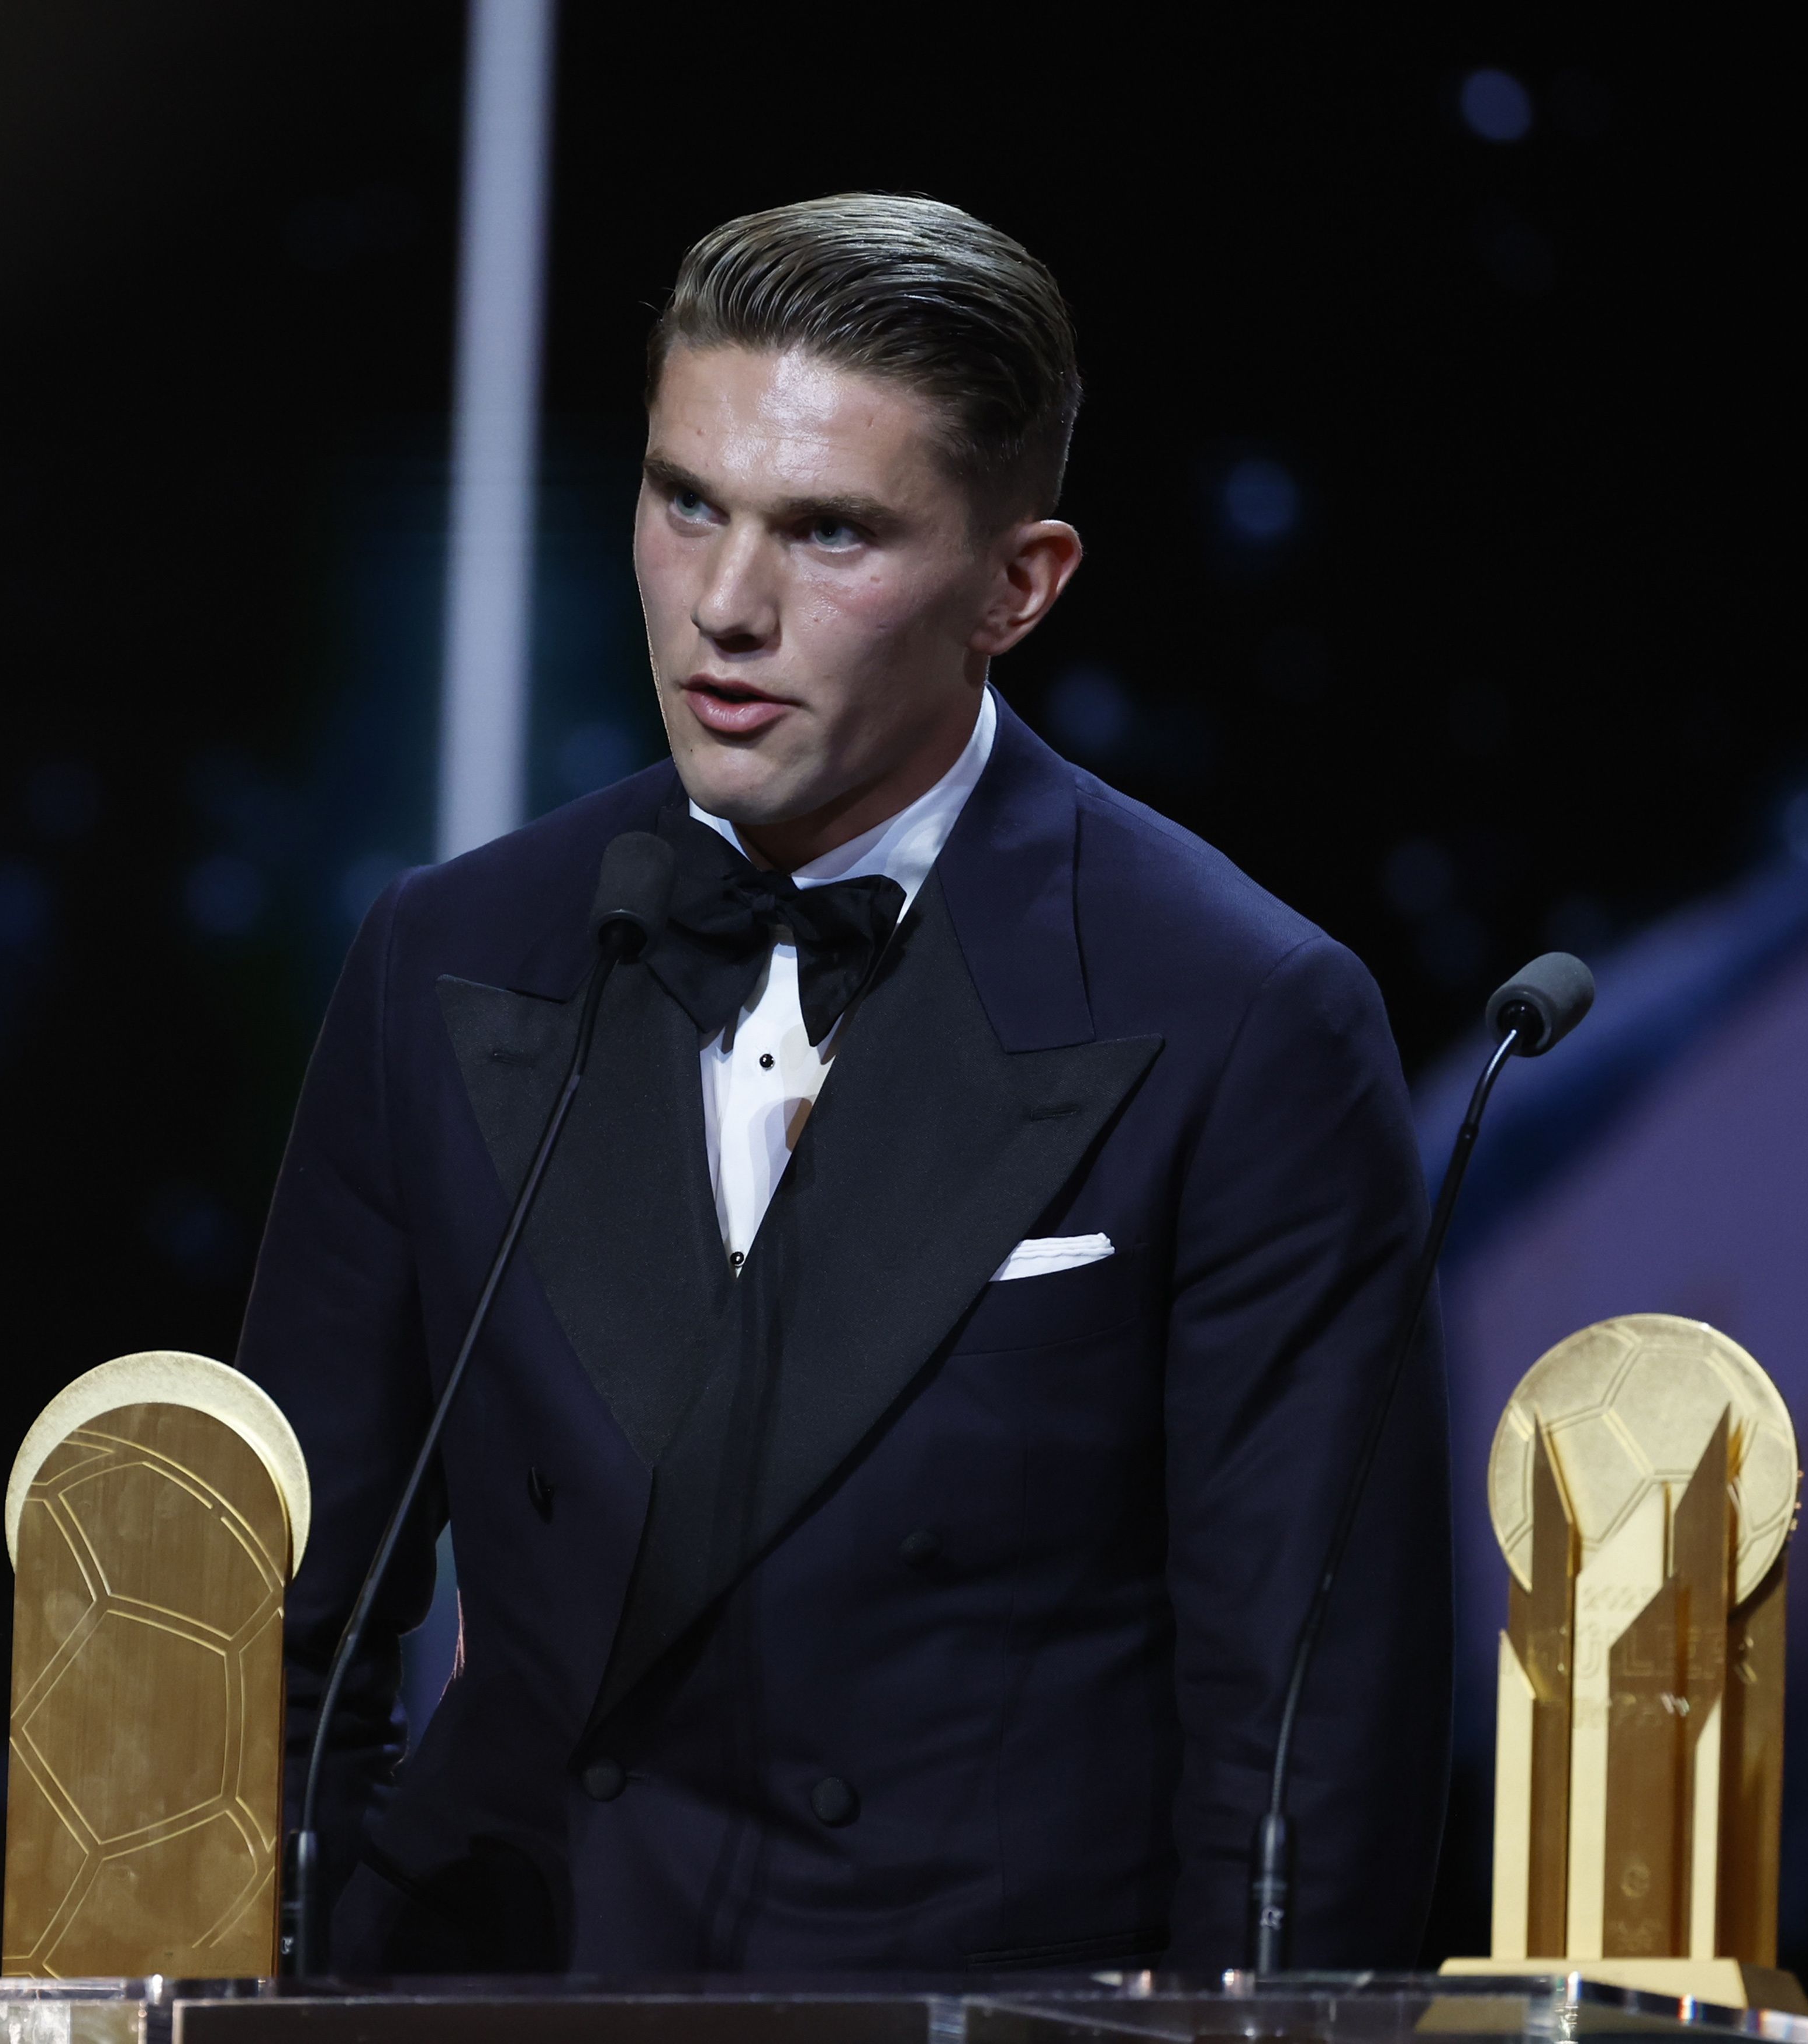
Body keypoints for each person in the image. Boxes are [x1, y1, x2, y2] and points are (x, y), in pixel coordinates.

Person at [238, 192, 1450, 1975]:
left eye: (830, 533)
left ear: (1015, 588)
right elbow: (276, 1638)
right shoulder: (452, 954)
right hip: (509, 2005)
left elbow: (1300, 1769)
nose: (726, 605)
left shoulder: (1243, 1021)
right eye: (686, 503)